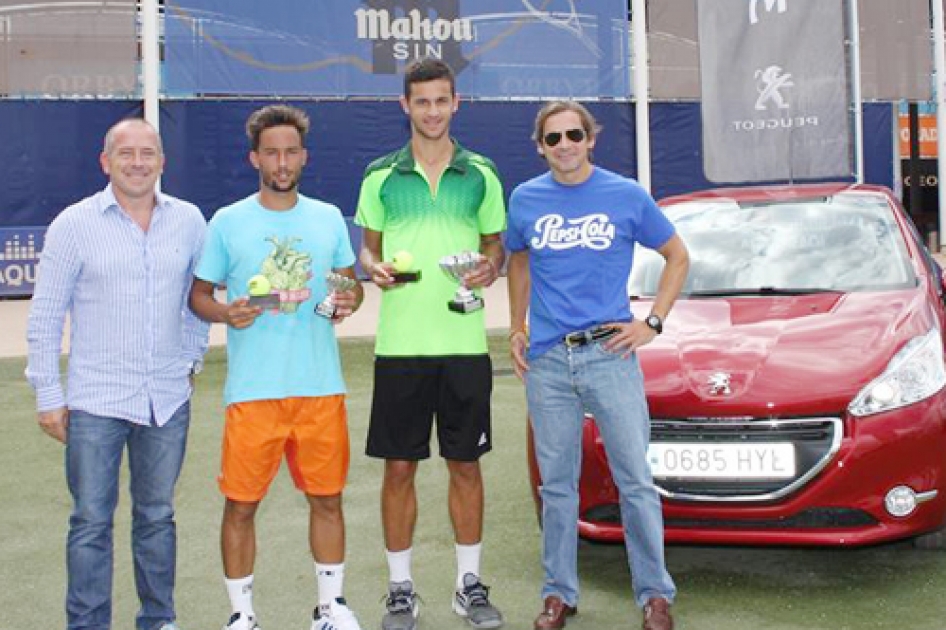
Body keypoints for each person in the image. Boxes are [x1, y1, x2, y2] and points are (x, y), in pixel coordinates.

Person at [506, 101, 689, 630]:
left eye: (574, 134)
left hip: (610, 354)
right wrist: (516, 326)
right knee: (558, 486)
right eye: (553, 137)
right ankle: (558, 595)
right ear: (540, 145)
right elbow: (518, 260)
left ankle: (655, 594)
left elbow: (678, 256)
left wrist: (651, 323)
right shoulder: (525, 199)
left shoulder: (625, 194)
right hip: (547, 362)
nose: (564, 144)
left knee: (635, 479)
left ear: (591, 139)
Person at [25, 118, 209, 630]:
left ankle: (158, 619)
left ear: (162, 161)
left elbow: (199, 298)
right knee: (90, 523)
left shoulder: (190, 221)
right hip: (95, 402)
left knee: (156, 518)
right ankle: (87, 624)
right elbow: (45, 315)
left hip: (167, 400)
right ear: (105, 162)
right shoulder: (73, 224)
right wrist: (48, 394)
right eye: (125, 153)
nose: (137, 162)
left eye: (147, 152)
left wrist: (192, 360)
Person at [189, 104, 364, 630]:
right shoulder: (228, 222)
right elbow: (199, 295)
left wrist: (346, 300)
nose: (282, 162)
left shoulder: (328, 217)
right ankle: (242, 615)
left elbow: (348, 286)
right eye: (272, 153)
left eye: (291, 152)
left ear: (304, 157)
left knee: (327, 501)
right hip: (253, 392)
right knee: (240, 506)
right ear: (254, 158)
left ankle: (330, 608)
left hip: (319, 387)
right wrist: (226, 312)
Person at [354, 57, 506, 630]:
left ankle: (469, 585)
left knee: (465, 466)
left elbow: (495, 246)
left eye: (442, 100)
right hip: (401, 348)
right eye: (422, 101)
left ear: (456, 103)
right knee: (399, 469)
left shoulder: (483, 174)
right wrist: (375, 268)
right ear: (406, 106)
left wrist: (489, 269)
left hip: (464, 345)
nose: (433, 111)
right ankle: (401, 590)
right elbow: (367, 247)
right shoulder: (380, 176)